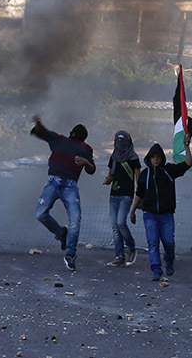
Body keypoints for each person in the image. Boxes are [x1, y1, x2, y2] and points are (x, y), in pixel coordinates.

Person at [31, 116, 95, 271]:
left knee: (72, 219)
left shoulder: (85, 149)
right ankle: (61, 233)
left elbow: (91, 169)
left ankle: (70, 254)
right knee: (46, 215)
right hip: (54, 182)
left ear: (71, 133)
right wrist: (39, 125)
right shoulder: (60, 140)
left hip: (68, 185)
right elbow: (43, 132)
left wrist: (86, 162)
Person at [130, 137, 192, 281]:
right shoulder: (145, 175)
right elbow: (139, 194)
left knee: (169, 242)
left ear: (162, 158)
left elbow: (188, 163)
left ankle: (169, 261)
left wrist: (186, 146)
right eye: (153, 157)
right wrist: (133, 210)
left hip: (166, 215)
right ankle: (156, 269)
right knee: (153, 242)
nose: (156, 159)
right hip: (150, 214)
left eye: (158, 157)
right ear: (149, 158)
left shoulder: (169, 171)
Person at [104, 131, 141, 267]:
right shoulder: (113, 157)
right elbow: (111, 175)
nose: (120, 145)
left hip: (127, 194)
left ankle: (131, 248)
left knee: (120, 223)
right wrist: (108, 180)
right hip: (113, 195)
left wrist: (139, 195)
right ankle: (119, 256)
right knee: (115, 227)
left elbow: (138, 178)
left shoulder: (133, 158)